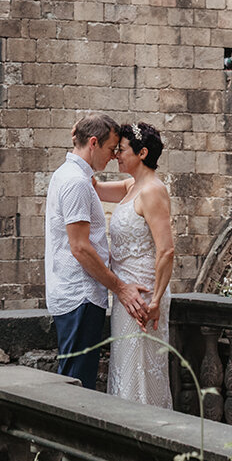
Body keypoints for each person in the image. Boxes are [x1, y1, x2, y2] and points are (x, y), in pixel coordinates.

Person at [44, 113, 149, 390]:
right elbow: (80, 248)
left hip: (74, 294)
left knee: (74, 378)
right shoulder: (76, 182)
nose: (113, 156)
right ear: (93, 143)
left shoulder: (67, 174)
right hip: (81, 296)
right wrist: (121, 288)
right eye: (110, 148)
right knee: (77, 384)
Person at [92, 121, 174, 408]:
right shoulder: (131, 186)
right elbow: (95, 187)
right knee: (125, 369)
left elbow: (166, 251)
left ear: (141, 153)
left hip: (144, 296)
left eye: (122, 150)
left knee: (141, 370)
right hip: (124, 294)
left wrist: (156, 301)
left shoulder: (152, 191)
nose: (116, 155)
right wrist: (81, 140)